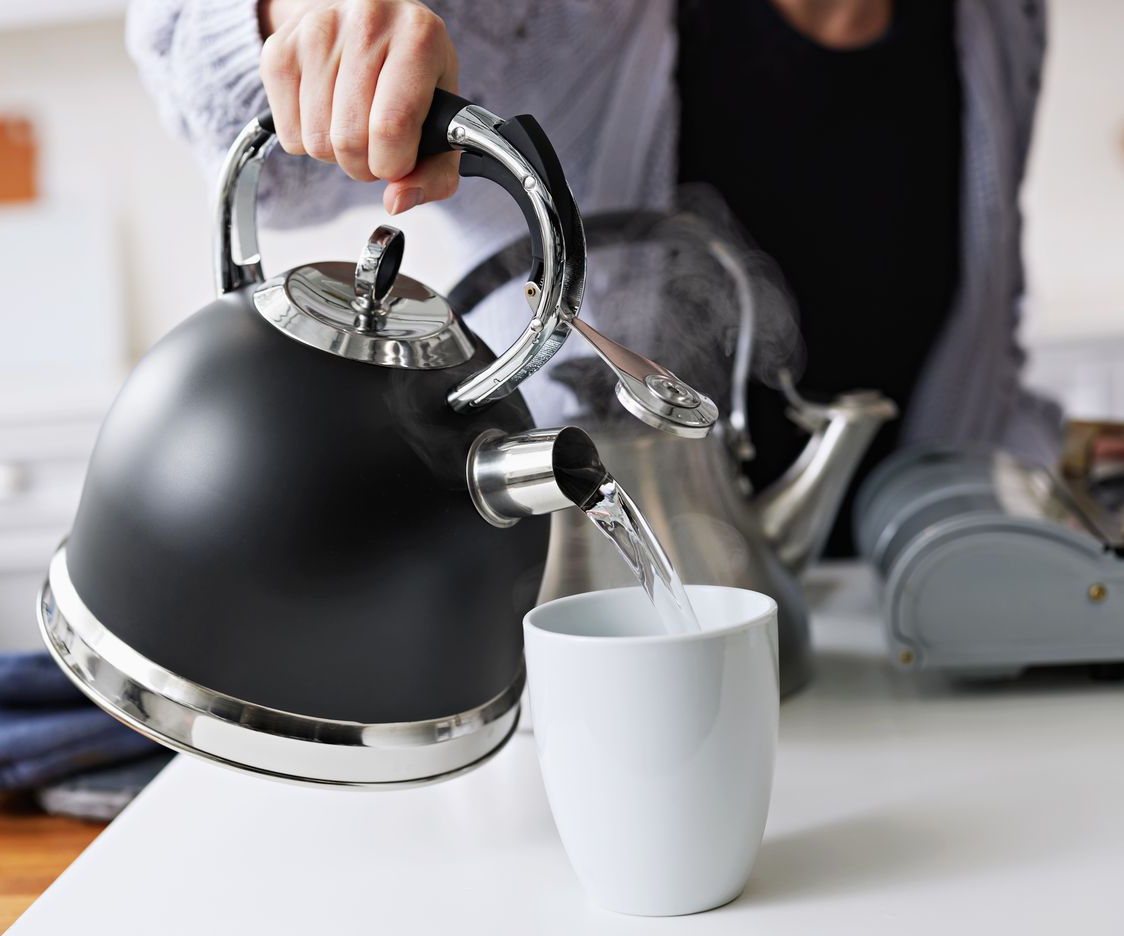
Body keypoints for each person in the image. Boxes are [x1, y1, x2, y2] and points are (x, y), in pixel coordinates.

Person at [127, 0, 1062, 550]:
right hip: (572, 607)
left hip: (903, 623)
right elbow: (259, 148)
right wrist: (301, 18)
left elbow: (980, 338)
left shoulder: (999, 22)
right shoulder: (556, 20)